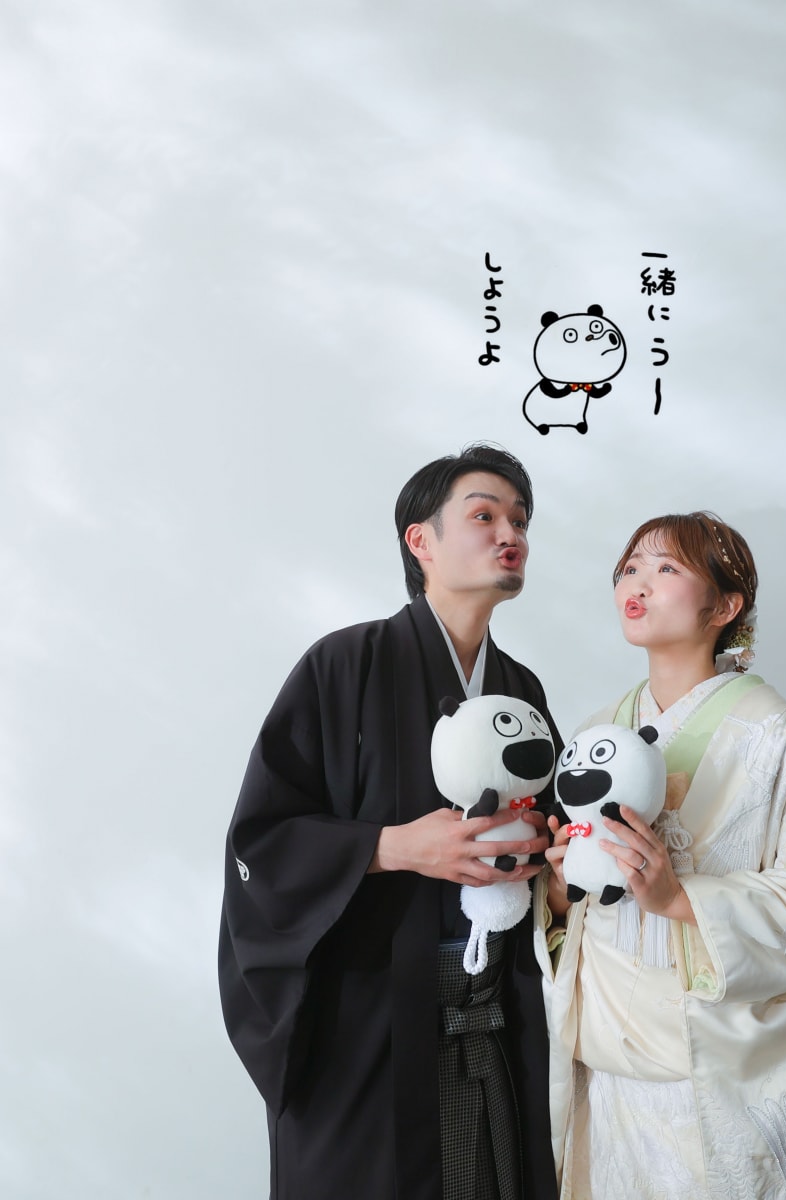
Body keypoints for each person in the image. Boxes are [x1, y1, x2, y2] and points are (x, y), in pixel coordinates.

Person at [219, 444, 560, 1200]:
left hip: (490, 1024)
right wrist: (392, 846)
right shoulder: (344, 665)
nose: (511, 533)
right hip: (365, 1031)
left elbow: (549, 837)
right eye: (484, 516)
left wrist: (546, 851)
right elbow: (262, 843)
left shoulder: (519, 690)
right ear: (420, 540)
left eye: (520, 520)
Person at [537, 511, 786, 1200]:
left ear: (725, 606)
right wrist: (561, 889)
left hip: (711, 1075)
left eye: (666, 568)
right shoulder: (598, 730)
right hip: (607, 1068)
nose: (638, 583)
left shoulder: (775, 734)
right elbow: (569, 898)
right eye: (630, 568)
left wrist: (679, 898)